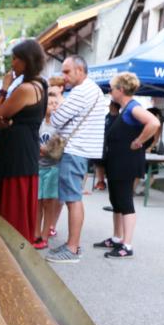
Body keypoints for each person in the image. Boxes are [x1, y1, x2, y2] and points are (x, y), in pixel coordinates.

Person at [46, 55, 106, 264]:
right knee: (73, 198)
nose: (63, 76)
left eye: (67, 71)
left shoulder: (81, 92)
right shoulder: (93, 89)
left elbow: (56, 119)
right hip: (81, 151)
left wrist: (56, 109)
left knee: (72, 199)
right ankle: (73, 244)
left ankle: (72, 248)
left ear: (80, 71)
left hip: (74, 151)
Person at [93, 72, 160, 258]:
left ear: (121, 90)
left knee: (125, 203)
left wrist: (139, 140)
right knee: (116, 202)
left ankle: (127, 245)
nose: (110, 91)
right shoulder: (124, 108)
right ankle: (116, 238)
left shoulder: (133, 107)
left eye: (112, 88)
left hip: (126, 163)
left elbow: (153, 122)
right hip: (117, 162)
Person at [0, 39, 48, 243]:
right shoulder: (42, 85)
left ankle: (11, 249)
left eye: (15, 59)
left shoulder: (25, 89)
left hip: (17, 152)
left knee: (13, 204)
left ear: (26, 61)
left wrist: (4, 89)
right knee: (22, 202)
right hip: (26, 149)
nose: (12, 63)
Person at [33, 87, 63, 249]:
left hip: (53, 168)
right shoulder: (39, 124)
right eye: (49, 103)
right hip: (39, 167)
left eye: (55, 103)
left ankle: (45, 234)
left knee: (48, 202)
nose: (52, 106)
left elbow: (58, 150)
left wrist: (45, 151)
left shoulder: (60, 127)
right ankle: (36, 233)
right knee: (37, 202)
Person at [93, 101, 120, 190]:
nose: (109, 106)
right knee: (98, 162)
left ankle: (113, 183)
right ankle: (101, 181)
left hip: (114, 145)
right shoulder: (106, 117)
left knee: (113, 164)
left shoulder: (120, 118)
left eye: (111, 104)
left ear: (114, 106)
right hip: (102, 144)